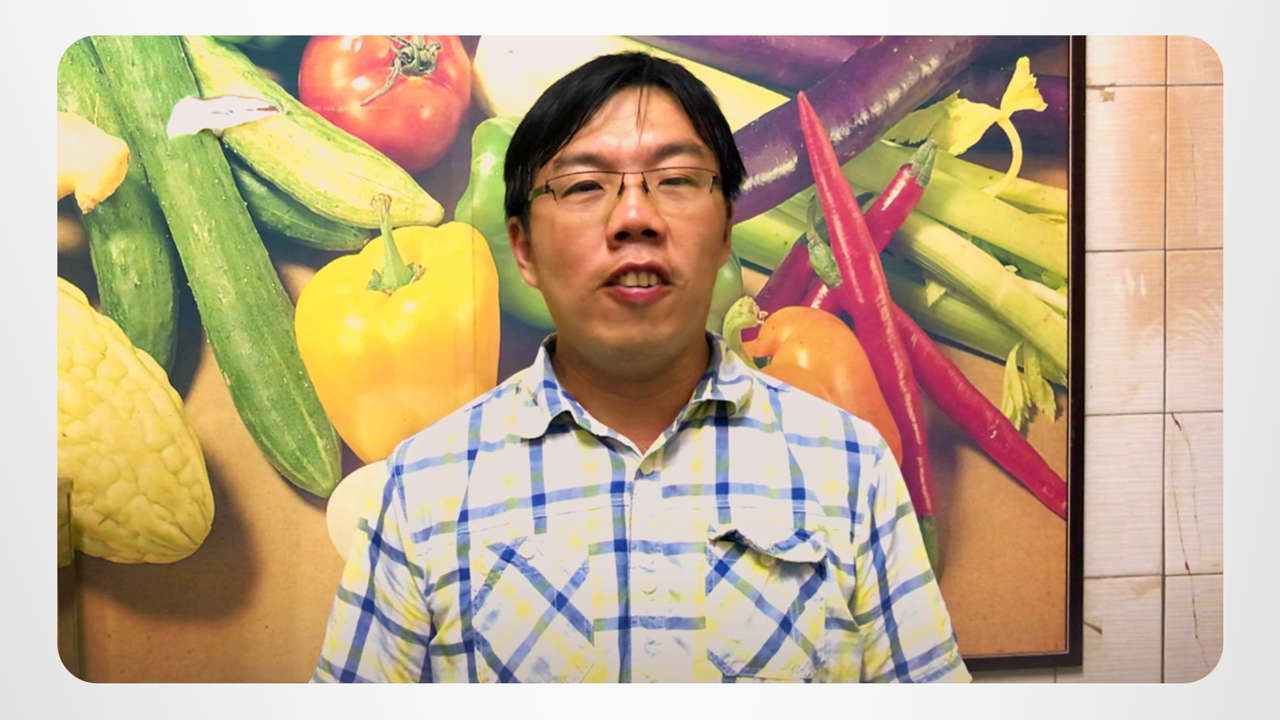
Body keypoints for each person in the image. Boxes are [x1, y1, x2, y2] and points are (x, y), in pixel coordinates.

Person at [313, 51, 969, 683]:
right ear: (524, 250)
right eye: (584, 187)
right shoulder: (418, 488)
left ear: (724, 234)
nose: (634, 220)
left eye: (676, 183)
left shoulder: (853, 468)